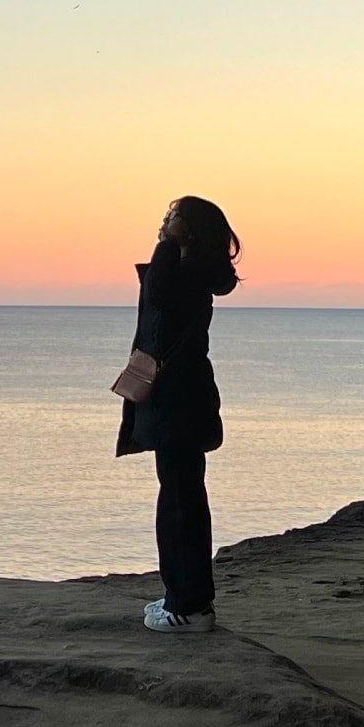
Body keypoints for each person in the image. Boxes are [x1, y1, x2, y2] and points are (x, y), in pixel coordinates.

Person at [116, 195, 240, 633]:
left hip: (178, 400)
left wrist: (166, 245)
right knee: (179, 498)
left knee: (180, 504)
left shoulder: (185, 276)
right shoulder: (193, 274)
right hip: (181, 398)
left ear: (191, 228)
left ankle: (190, 607)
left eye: (174, 216)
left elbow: (157, 294)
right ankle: (182, 598)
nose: (165, 220)